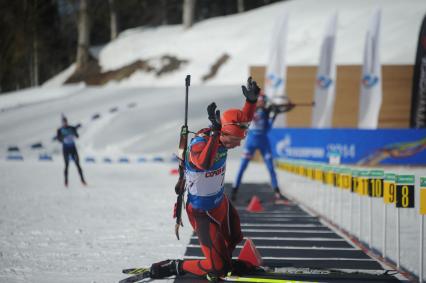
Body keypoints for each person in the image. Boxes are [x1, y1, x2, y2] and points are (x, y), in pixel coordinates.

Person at [148, 77, 260, 282]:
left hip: (220, 202)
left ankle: (224, 261)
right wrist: (216, 133)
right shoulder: (200, 143)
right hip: (201, 212)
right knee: (217, 270)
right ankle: (176, 266)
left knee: (234, 238)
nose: (237, 144)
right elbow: (203, 164)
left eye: (240, 140)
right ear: (222, 132)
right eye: (234, 140)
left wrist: (251, 102)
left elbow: (242, 121)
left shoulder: (224, 135)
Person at [231, 92, 294, 201]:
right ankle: (234, 190)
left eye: (264, 101)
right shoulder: (250, 110)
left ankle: (277, 192)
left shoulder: (266, 110)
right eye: (261, 101)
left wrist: (278, 111)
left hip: (263, 141)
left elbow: (269, 125)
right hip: (250, 141)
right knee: (242, 167)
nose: (263, 103)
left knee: (270, 167)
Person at [56, 114, 86, 187]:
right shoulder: (59, 130)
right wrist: (63, 137)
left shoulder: (71, 128)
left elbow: (77, 136)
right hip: (66, 149)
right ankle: (66, 182)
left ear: (67, 122)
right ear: (62, 123)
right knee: (66, 165)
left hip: (73, 148)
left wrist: (75, 132)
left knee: (78, 165)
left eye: (66, 122)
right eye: (63, 122)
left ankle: (83, 181)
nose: (65, 123)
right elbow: (58, 139)